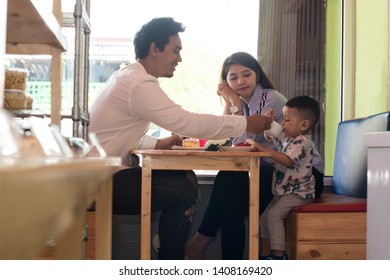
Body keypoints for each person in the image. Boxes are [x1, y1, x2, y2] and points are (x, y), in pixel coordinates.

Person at [88, 18, 272, 260]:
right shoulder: (138, 83)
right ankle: (171, 260)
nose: (179, 58)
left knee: (186, 176)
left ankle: (172, 250)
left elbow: (114, 132)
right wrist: (245, 123)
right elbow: (187, 122)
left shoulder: (129, 78)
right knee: (181, 190)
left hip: (104, 173)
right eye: (175, 51)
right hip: (97, 182)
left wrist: (156, 144)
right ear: (155, 49)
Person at [184, 52, 324, 260]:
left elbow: (243, 139)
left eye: (246, 74)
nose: (240, 82)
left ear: (257, 75)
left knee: (228, 177)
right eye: (233, 78)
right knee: (231, 203)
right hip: (276, 173)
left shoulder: (272, 98)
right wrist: (230, 103)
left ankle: (200, 242)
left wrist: (235, 103)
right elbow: (226, 136)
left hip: (302, 177)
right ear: (225, 82)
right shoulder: (243, 102)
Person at [253, 95, 321, 260]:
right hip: (283, 191)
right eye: (282, 119)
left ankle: (278, 255)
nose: (282, 123)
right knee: (263, 219)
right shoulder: (288, 139)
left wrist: (265, 150)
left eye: (287, 120)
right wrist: (269, 123)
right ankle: (265, 254)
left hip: (298, 193)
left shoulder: (303, 142)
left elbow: (287, 160)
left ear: (304, 124)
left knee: (274, 216)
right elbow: (272, 136)